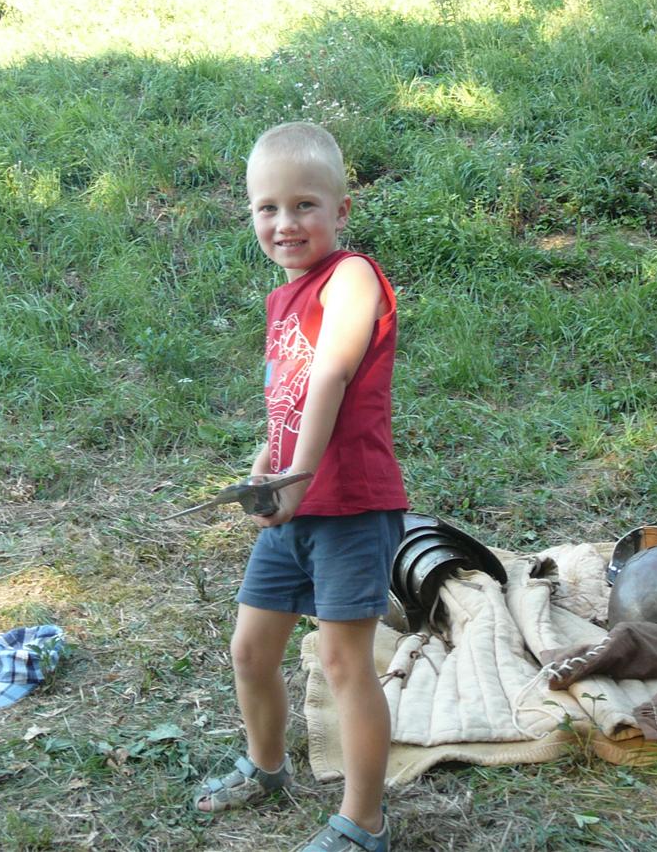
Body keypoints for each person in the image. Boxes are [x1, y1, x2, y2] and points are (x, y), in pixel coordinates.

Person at [193, 121, 408, 852]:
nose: (285, 223)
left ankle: (363, 822)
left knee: (344, 663)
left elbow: (332, 375)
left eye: (304, 205)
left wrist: (300, 473)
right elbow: (291, 395)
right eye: (268, 208)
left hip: (350, 505)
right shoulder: (285, 299)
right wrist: (269, 458)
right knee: (251, 652)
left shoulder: (352, 276)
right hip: (293, 505)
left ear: (341, 211)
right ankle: (265, 767)